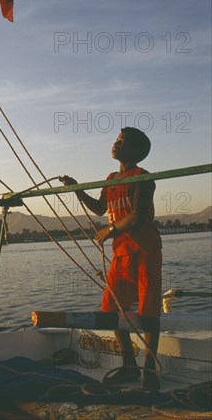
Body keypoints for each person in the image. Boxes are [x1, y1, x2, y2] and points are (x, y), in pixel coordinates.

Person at [60, 127, 162, 389]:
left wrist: (111, 230)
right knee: (112, 310)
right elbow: (99, 208)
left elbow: (138, 216)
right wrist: (76, 189)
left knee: (149, 313)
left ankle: (150, 371)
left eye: (122, 141)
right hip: (121, 253)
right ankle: (129, 366)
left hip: (145, 251)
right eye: (116, 140)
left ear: (136, 150)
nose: (115, 144)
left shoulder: (143, 177)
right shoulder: (111, 178)